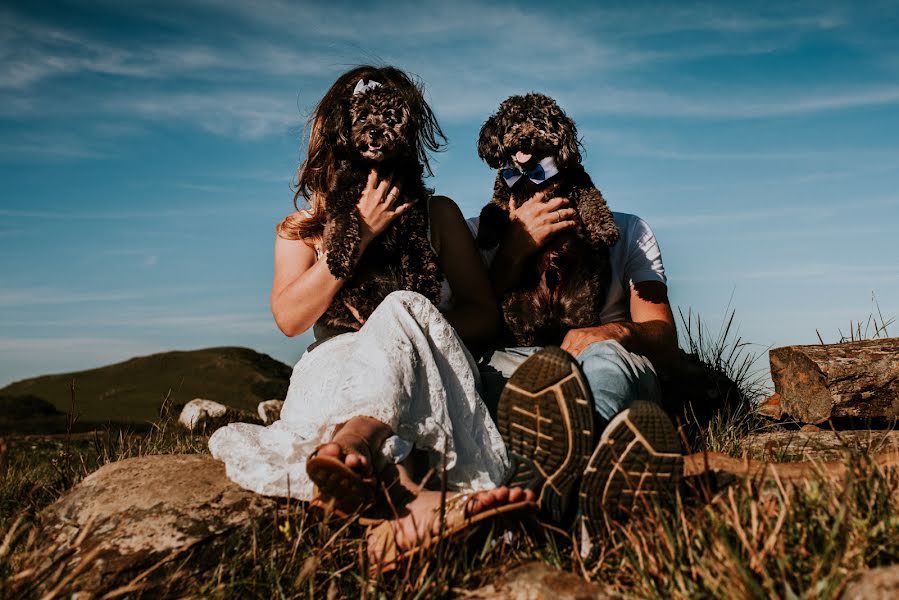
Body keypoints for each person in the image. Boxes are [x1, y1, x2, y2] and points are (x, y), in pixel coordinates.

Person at [208, 66, 534, 567]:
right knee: (374, 344)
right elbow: (291, 318)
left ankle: (359, 452)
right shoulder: (302, 229)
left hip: (424, 354)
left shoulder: (437, 214)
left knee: (400, 308)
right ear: (336, 142)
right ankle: (407, 507)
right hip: (334, 363)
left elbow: (483, 315)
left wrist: (402, 326)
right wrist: (355, 237)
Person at [470, 189, 684, 549]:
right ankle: (587, 501)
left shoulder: (626, 230)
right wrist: (511, 254)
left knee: (606, 359)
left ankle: (565, 477)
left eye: (550, 168)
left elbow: (663, 339)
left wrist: (616, 331)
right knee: (485, 371)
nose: (539, 186)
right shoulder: (479, 235)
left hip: (605, 362)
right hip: (517, 362)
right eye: (521, 174)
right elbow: (468, 325)